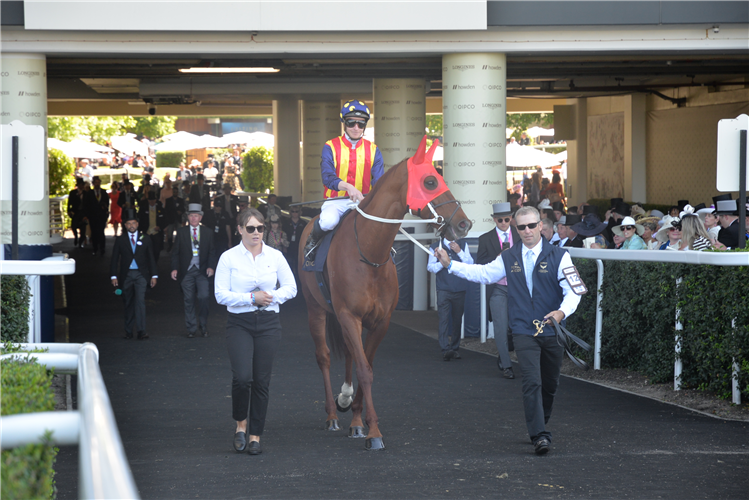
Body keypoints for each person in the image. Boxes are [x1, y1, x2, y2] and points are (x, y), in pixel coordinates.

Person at [434, 206, 582, 456]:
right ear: (516, 228)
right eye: (521, 227)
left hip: (554, 332)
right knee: (532, 382)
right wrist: (451, 265)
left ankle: (540, 421)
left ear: (541, 227)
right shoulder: (508, 256)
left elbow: (574, 291)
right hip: (524, 330)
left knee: (550, 385)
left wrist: (561, 312)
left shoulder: (560, 256)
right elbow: (482, 273)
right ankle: (538, 434)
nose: (526, 231)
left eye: (531, 226)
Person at [214, 208, 297, 455]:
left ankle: (255, 436)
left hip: (269, 324)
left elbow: (292, 287)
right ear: (240, 230)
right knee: (242, 378)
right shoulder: (228, 258)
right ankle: (240, 425)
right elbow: (220, 294)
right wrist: (252, 298)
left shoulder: (275, 256)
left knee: (262, 381)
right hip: (239, 323)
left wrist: (271, 297)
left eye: (260, 228)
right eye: (250, 228)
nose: (256, 233)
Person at [304, 100, 384, 258]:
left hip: (363, 201)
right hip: (336, 201)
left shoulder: (374, 149)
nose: (356, 128)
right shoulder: (330, 146)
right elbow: (327, 177)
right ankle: (312, 241)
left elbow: (379, 182)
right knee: (328, 222)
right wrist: (348, 187)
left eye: (360, 124)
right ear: (344, 123)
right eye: (351, 123)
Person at [476, 202, 519, 378]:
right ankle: (506, 364)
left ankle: (519, 359)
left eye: (506, 219)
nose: (503, 222)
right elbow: (480, 262)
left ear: (511, 218)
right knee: (500, 327)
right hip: (498, 288)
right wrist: (497, 258)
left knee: (518, 327)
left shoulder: (520, 234)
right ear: (494, 220)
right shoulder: (485, 239)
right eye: (500, 220)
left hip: (518, 288)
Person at [110, 209, 158, 340]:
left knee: (140, 302)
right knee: (128, 302)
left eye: (134, 223)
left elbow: (151, 258)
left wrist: (154, 275)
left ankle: (142, 331)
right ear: (125, 225)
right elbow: (114, 258)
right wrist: (113, 276)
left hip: (141, 274)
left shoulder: (146, 238)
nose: (131, 226)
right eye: (129, 223)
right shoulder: (121, 240)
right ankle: (128, 331)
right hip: (126, 275)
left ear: (137, 224)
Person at [171, 204, 218, 338]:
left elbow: (212, 252)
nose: (193, 218)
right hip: (187, 270)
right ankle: (191, 328)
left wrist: (211, 266)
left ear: (200, 217)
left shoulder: (208, 232)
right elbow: (175, 253)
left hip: (202, 270)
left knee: (204, 297)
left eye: (196, 215)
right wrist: (174, 268)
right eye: (191, 215)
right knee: (188, 299)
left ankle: (203, 325)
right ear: (188, 217)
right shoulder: (181, 232)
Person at [428, 236, 473, 361]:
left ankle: (454, 348)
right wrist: (442, 263)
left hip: (460, 288)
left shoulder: (463, 245)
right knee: (443, 319)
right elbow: (430, 267)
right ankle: (445, 349)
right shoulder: (435, 246)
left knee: (457, 320)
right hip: (443, 289)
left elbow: (470, 264)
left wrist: (459, 252)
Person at [86, 176, 110, 256]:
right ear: (93, 183)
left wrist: (106, 210)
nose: (97, 184)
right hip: (93, 216)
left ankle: (102, 249)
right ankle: (95, 248)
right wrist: (88, 216)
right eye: (96, 183)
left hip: (102, 216)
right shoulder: (89, 193)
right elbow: (87, 205)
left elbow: (107, 203)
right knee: (94, 233)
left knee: (101, 232)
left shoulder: (103, 192)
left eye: (98, 182)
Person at [138, 192, 166, 259]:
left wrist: (160, 227)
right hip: (146, 232)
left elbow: (165, 220)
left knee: (157, 250)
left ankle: (154, 263)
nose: (152, 202)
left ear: (156, 200)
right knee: (145, 249)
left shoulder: (160, 209)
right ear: (148, 200)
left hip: (156, 233)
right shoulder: (143, 209)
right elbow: (140, 219)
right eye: (150, 200)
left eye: (153, 200)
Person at [284, 206, 307, 279]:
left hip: (299, 246)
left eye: (296, 211)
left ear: (299, 212)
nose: (294, 213)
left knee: (298, 265)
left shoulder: (303, 223)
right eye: (293, 211)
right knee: (289, 264)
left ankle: (299, 284)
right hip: (288, 246)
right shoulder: (286, 222)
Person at [67, 178, 89, 248]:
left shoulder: (86, 194)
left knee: (83, 228)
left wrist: (87, 214)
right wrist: (69, 211)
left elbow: (88, 204)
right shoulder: (73, 193)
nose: (81, 186)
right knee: (74, 226)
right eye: (80, 185)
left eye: (82, 185)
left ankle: (81, 241)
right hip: (75, 212)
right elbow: (69, 203)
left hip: (83, 213)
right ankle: (76, 237)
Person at [164, 187, 185, 253]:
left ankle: (177, 247)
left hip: (178, 219)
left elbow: (183, 209)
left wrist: (181, 212)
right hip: (171, 219)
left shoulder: (181, 200)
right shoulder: (168, 200)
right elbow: (166, 210)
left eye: (176, 191)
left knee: (179, 234)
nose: (175, 193)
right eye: (174, 191)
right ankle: (170, 246)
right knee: (170, 234)